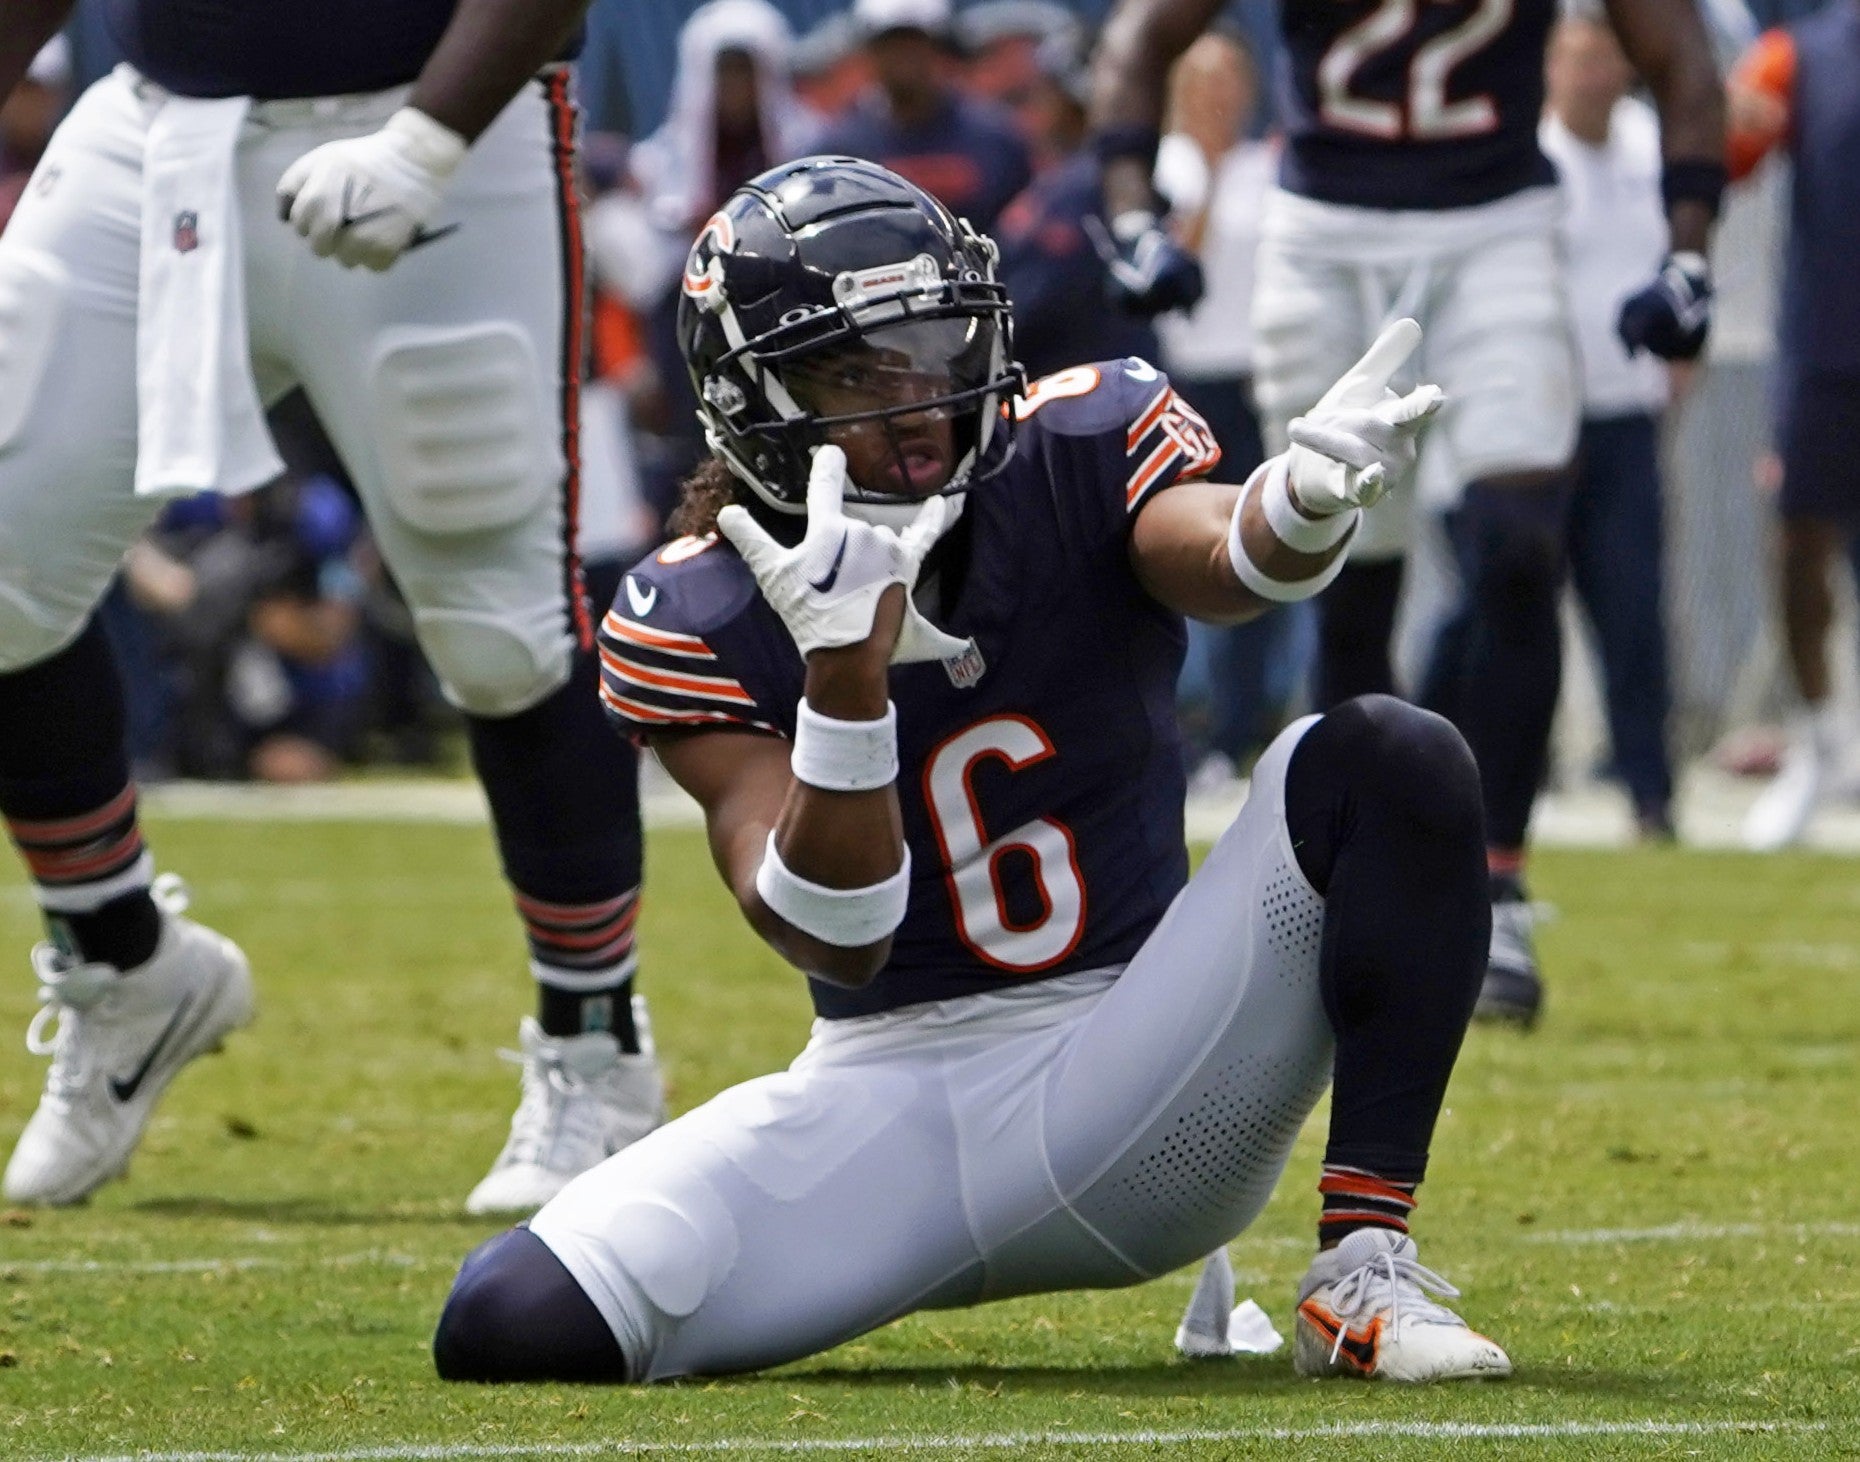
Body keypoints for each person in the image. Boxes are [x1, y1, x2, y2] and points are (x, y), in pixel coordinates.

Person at [432, 156, 1510, 1388]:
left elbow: (1218, 552)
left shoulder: (1068, 450)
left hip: (1153, 1050)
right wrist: (843, 680)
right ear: (753, 397)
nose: (922, 403)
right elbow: (833, 937)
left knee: (1384, 756)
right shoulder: (693, 607)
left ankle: (1359, 1266)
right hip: (893, 1091)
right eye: (860, 371)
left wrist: (1300, 502)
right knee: (507, 1321)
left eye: (940, 350)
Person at [0, 0, 664, 1212]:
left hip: (442, 125)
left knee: (499, 628)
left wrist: (424, 142)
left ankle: (597, 1048)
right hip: (156, 135)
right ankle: (125, 960)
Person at [1088, 0, 1725, 1027]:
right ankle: (1365, 890)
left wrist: (1690, 244)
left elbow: (1679, 51)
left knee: (1522, 549)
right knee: (1342, 573)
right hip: (1324, 234)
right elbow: (1142, 38)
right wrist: (1128, 213)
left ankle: (1499, 885)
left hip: (1499, 223)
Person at [1540, 12, 1680, 841]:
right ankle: (1489, 773)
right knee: (1507, 604)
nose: (1592, 76)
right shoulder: (1530, 159)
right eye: (1577, 59)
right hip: (1541, 423)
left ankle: (1650, 791)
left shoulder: (1649, 145)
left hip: (1626, 415)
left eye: (1605, 60)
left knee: (1632, 607)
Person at [1724, 3, 1860, 849]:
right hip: (1826, 345)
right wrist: (1723, 122)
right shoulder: (1798, 54)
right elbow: (1729, 155)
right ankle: (1819, 743)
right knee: (1798, 544)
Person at [995, 25, 1160, 380]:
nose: (1038, 101)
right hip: (1065, 378)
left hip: (1094, 382)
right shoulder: (1054, 178)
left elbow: (1044, 296)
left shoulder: (1094, 183)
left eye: (1047, 90)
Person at [816, 0, 1033, 233]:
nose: (902, 58)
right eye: (891, 46)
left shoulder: (997, 139)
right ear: (870, 53)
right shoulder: (838, 152)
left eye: (912, 44)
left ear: (937, 48)